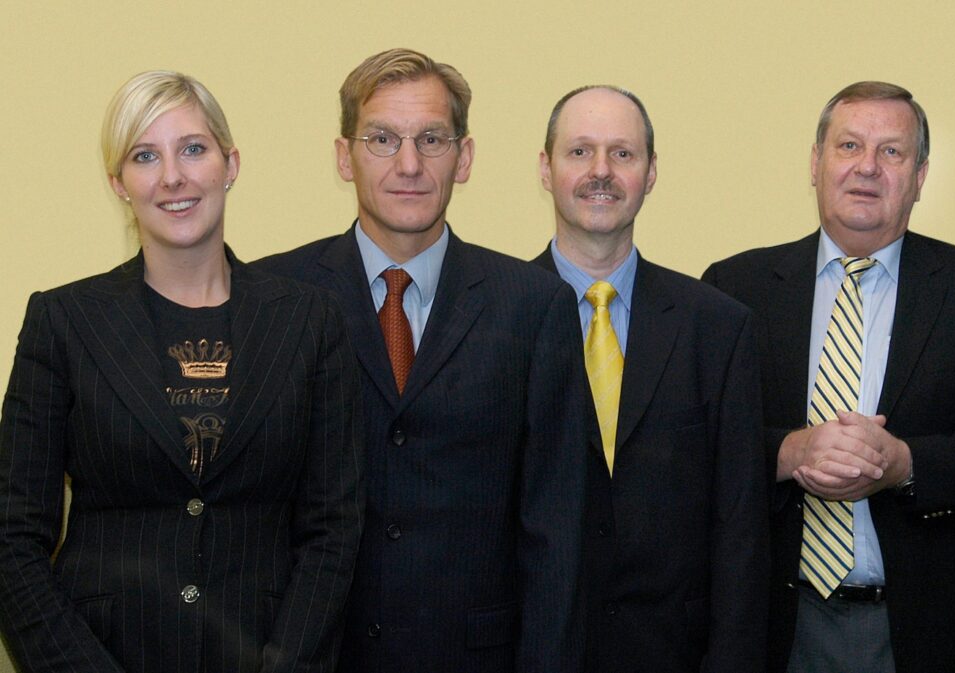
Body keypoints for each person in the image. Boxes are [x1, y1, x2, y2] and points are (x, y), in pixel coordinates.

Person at [0, 70, 363, 673]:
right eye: (145, 156)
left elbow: (334, 527)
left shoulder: (310, 321)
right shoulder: (63, 322)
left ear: (230, 164)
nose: (173, 176)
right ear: (118, 183)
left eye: (193, 148)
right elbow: (13, 536)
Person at [255, 48, 588, 673]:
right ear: (344, 156)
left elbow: (557, 530)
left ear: (464, 158)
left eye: (431, 140)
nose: (409, 164)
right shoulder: (274, 297)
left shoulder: (534, 305)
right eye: (382, 139)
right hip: (314, 655)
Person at [702, 81, 955, 673]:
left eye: (891, 151)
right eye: (849, 146)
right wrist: (788, 452)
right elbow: (694, 446)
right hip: (775, 624)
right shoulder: (735, 287)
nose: (867, 167)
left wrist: (905, 464)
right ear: (815, 163)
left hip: (938, 628)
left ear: (920, 177)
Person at [532, 85, 768, 672]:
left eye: (623, 153)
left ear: (651, 172)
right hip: (533, 648)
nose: (601, 171)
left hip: (674, 654)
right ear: (545, 169)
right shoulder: (493, 318)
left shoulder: (717, 326)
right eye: (580, 151)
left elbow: (739, 527)